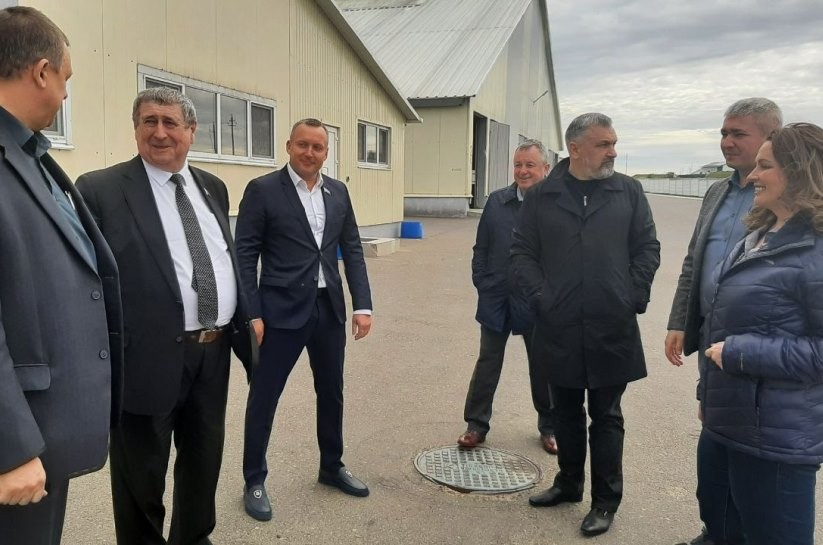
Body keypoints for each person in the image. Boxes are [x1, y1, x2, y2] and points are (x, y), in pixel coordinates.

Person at [76, 88, 256, 545]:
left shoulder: (212, 186)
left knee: (203, 460)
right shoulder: (100, 189)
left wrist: (247, 317)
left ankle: (193, 537)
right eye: (148, 121)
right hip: (144, 357)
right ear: (135, 128)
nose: (159, 132)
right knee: (140, 475)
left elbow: (225, 259)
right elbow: (85, 282)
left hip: (212, 353)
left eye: (170, 122)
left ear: (191, 131)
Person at [0, 7, 123, 544]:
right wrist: (11, 448)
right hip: (18, 444)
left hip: (44, 428)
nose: (66, 94)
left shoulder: (31, 156)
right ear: (42, 71)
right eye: (66, 79)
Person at [511, 113, 660, 537]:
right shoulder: (543, 196)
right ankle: (568, 483)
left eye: (613, 143)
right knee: (564, 411)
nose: (613, 151)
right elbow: (522, 252)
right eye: (603, 144)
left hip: (611, 323)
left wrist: (630, 295)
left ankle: (605, 501)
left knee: (606, 415)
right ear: (575, 149)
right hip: (557, 323)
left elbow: (647, 248)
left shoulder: (628, 191)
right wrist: (542, 298)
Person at [236, 118, 373, 522]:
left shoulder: (338, 191)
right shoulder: (263, 190)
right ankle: (254, 479)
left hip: (328, 309)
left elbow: (352, 248)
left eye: (317, 147)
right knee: (265, 396)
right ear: (289, 146)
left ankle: (331, 466)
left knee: (331, 392)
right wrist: (252, 313)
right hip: (279, 312)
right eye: (302, 145)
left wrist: (363, 305)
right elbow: (244, 254)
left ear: (326, 152)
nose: (309, 153)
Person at [697, 123, 823, 545]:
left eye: (765, 166)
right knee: (722, 527)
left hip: (774, 438)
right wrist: (706, 392)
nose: (752, 175)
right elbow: (722, 320)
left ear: (800, 172)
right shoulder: (759, 236)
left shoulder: (816, 252)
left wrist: (741, 354)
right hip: (728, 420)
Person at [665, 98, 782, 545]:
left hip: (758, 341)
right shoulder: (717, 192)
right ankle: (718, 531)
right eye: (724, 133)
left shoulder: (785, 197)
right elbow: (694, 260)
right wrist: (680, 320)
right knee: (715, 438)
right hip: (712, 334)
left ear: (770, 138)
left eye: (738, 134)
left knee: (752, 449)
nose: (727, 142)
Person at [457, 139, 556, 454]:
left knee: (542, 365)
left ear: (545, 168)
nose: (522, 171)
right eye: (518, 165)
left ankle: (550, 427)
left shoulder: (556, 205)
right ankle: (476, 424)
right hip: (497, 296)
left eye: (529, 165)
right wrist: (482, 281)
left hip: (537, 301)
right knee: (488, 362)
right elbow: (482, 247)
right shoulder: (497, 201)